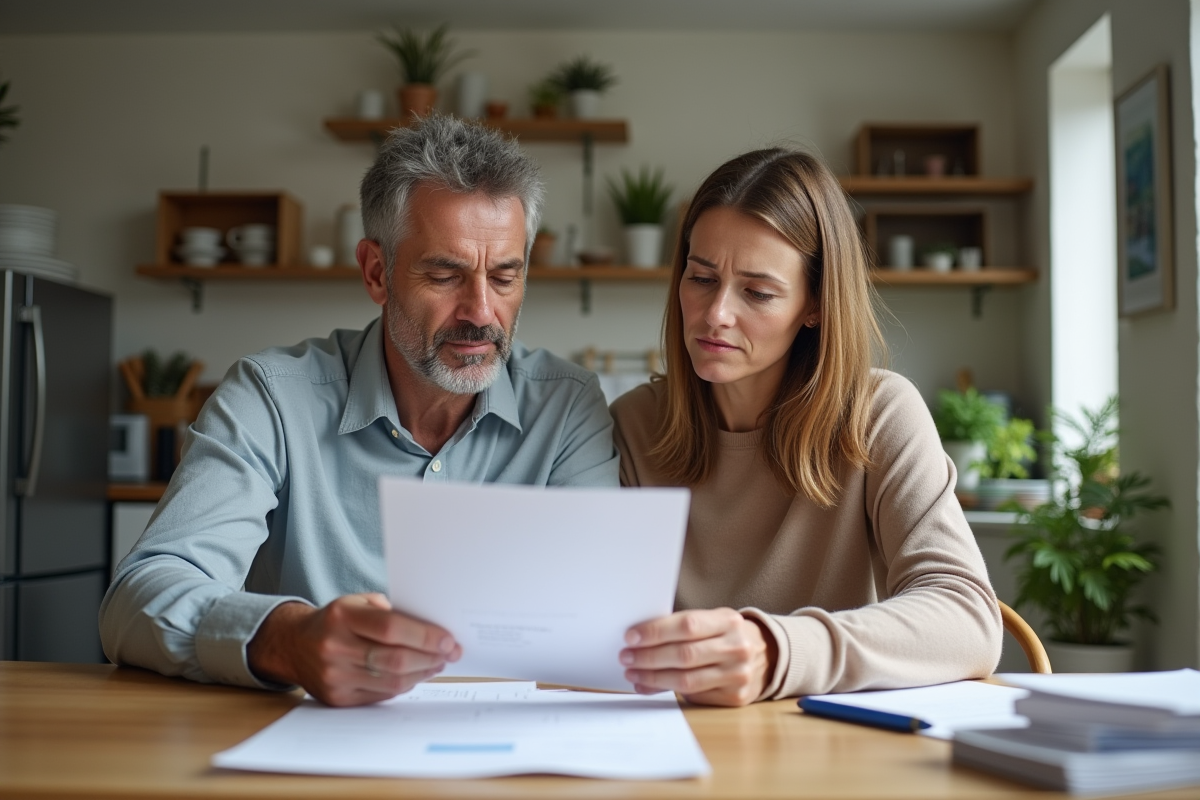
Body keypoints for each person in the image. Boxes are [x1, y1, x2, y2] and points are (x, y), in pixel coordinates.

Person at [100, 115, 619, 707]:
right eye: (444, 274)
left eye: (505, 276)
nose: (481, 311)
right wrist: (288, 640)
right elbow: (136, 600)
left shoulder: (567, 405)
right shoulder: (271, 397)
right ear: (377, 271)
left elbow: (600, 614)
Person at [611, 148, 1001, 707]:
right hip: (671, 741)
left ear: (815, 304)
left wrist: (778, 651)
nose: (716, 313)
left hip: (827, 750)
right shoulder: (634, 423)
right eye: (701, 278)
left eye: (758, 292)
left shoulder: (880, 414)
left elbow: (968, 618)